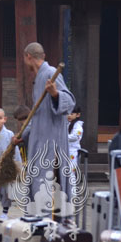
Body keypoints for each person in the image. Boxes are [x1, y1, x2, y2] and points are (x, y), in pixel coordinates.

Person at [17, 42, 76, 210]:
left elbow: (70, 102)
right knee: (38, 181)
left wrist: (56, 94)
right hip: (40, 138)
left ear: (28, 56)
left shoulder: (50, 73)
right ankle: (39, 221)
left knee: (49, 182)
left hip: (52, 140)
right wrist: (23, 135)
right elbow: (38, 116)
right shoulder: (38, 78)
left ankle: (51, 224)